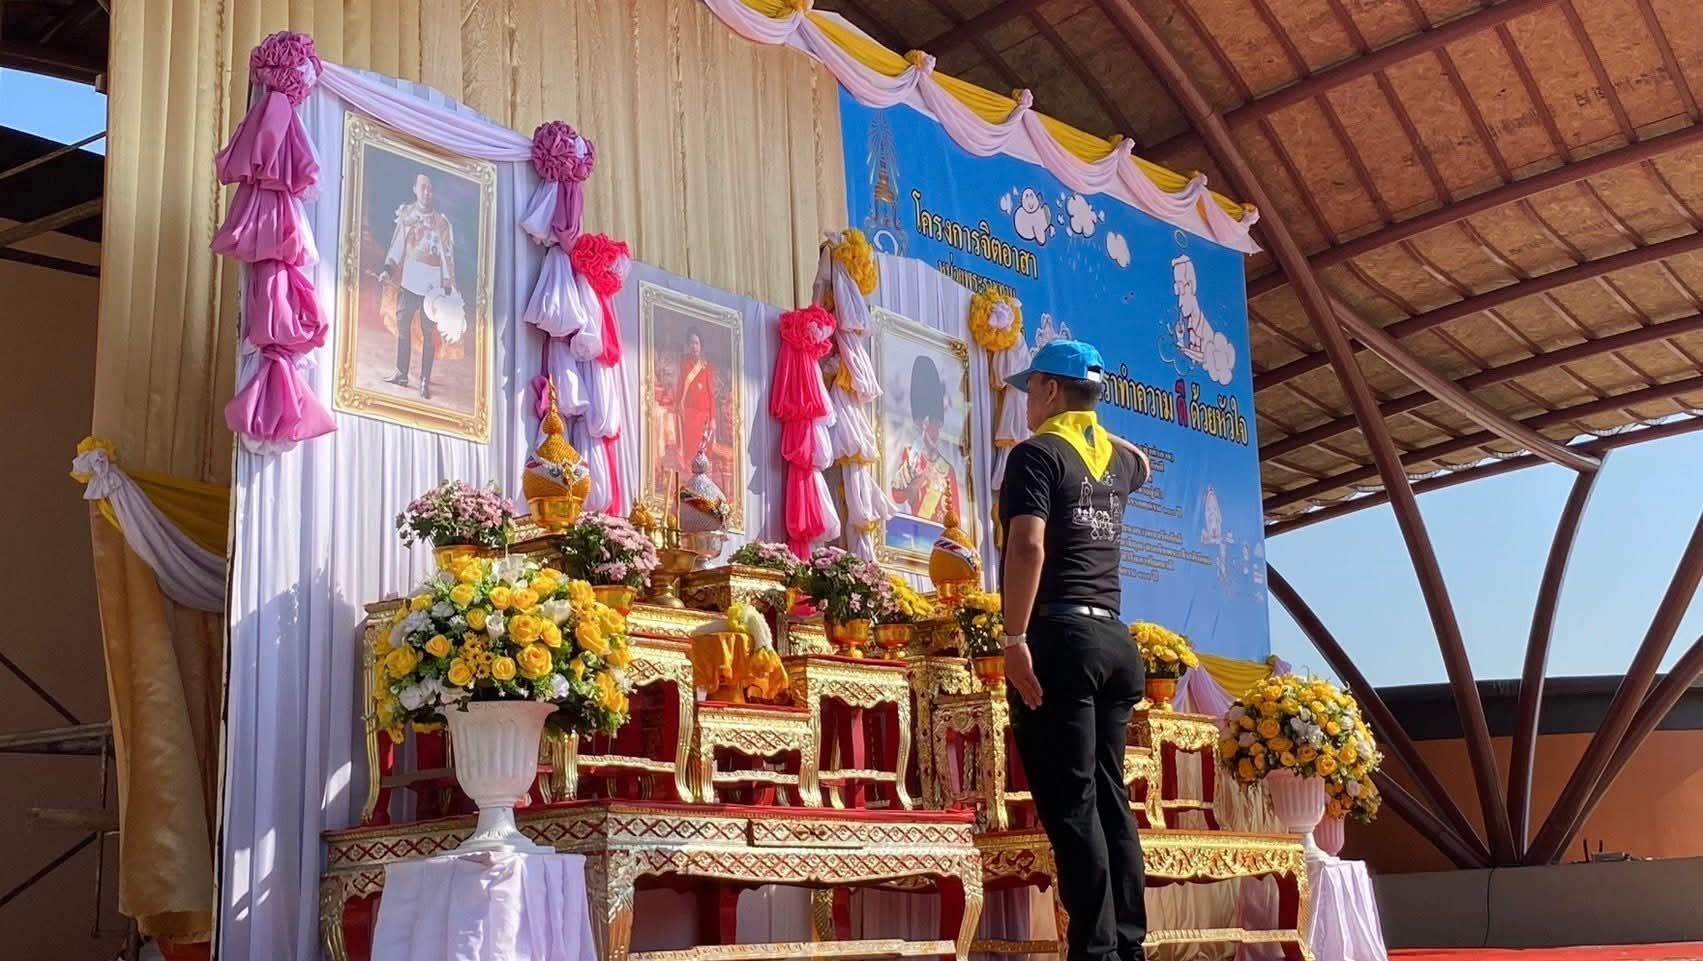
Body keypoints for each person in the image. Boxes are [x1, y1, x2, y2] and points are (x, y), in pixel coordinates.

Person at [997, 338, 1152, 961]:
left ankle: (1096, 952)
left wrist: (1013, 637)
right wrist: (1092, 425)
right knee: (1111, 799)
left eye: (1030, 389)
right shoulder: (1117, 462)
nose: (1025, 403)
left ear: (1050, 388)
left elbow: (1027, 545)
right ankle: (1128, 946)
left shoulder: (1036, 455)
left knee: (1073, 804)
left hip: (1061, 638)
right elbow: (1144, 461)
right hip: (1115, 641)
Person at [380, 173, 456, 400]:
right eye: (422, 187)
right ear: (414, 188)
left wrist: (447, 283)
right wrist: (388, 269)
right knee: (403, 327)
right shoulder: (407, 216)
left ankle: (424, 380)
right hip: (409, 282)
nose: (426, 193)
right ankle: (401, 373)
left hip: (431, 289)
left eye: (429, 189)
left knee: (428, 334)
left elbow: (447, 256)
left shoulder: (441, 223)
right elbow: (397, 247)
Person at [891, 354, 962, 526]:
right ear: (920, 424)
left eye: (936, 424)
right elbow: (897, 495)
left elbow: (956, 520)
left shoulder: (948, 470)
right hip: (916, 535)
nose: (933, 430)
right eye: (928, 423)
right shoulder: (910, 456)